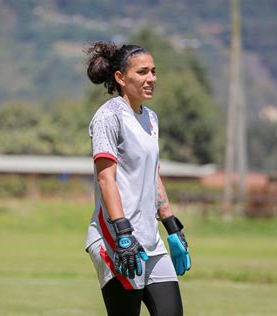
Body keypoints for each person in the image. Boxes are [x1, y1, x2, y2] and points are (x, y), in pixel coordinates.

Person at [84, 41, 191, 316]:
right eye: (142, 72)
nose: (151, 79)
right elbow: (106, 179)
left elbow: (152, 173)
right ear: (120, 78)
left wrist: (171, 224)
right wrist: (122, 233)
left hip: (151, 242)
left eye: (153, 72)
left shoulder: (151, 119)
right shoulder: (108, 116)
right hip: (117, 240)